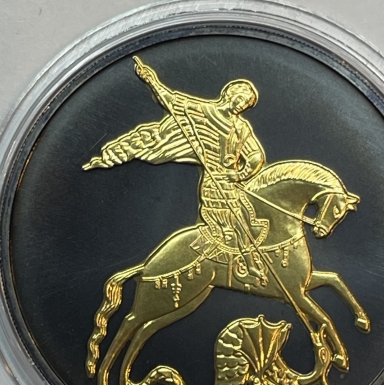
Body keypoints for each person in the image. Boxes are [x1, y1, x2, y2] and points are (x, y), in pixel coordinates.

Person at [84, 58, 268, 285]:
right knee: (238, 221)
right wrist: (151, 80)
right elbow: (169, 99)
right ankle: (246, 266)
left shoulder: (241, 127)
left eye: (246, 105)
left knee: (250, 217)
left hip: (232, 182)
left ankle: (240, 262)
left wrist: (239, 174)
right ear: (229, 93)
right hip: (214, 184)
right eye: (241, 99)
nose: (242, 106)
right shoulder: (201, 111)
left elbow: (256, 156)